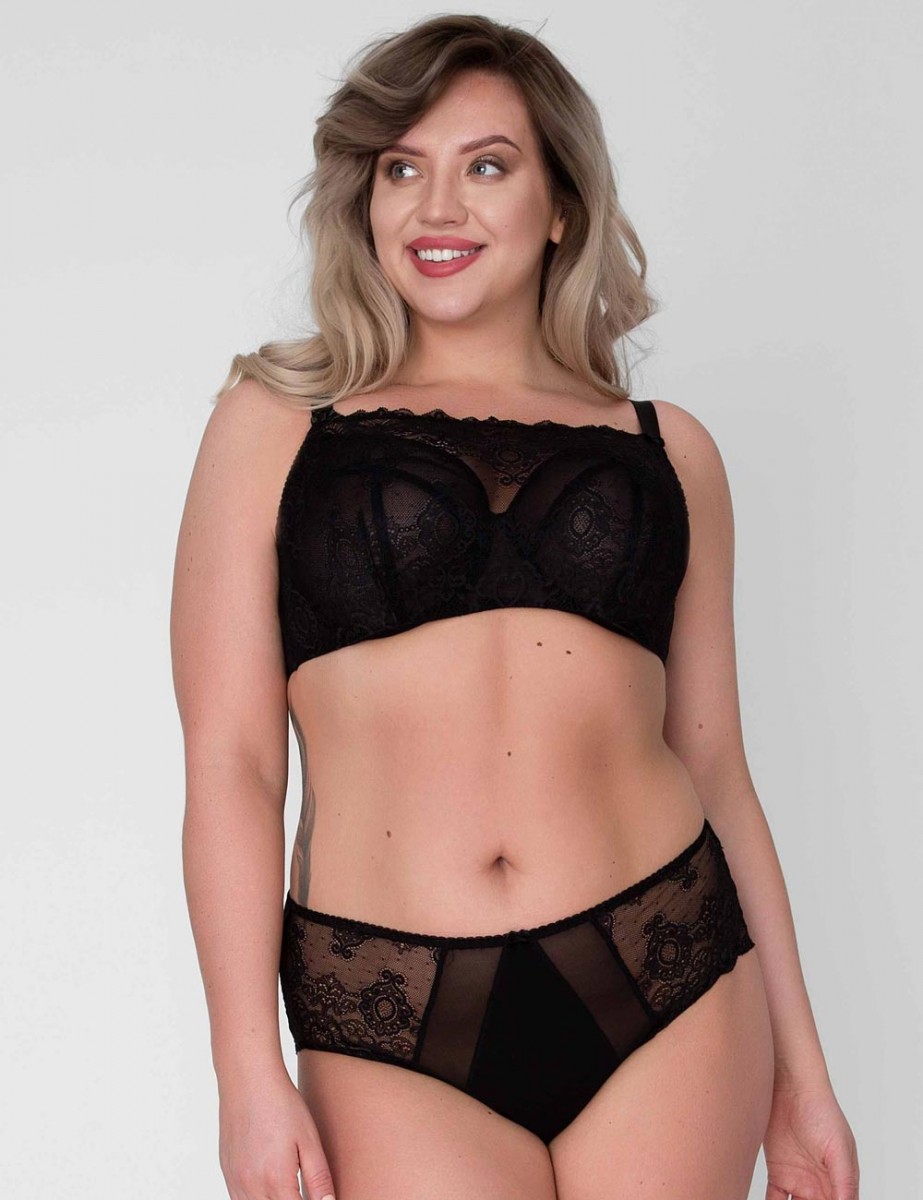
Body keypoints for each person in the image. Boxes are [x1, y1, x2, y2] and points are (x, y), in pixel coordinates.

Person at [171, 13, 859, 1200]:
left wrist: (802, 1078)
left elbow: (715, 768)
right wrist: (245, 1072)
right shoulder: (274, 427)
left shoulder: (670, 451)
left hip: (670, 972)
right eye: (400, 169)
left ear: (559, 210)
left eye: (484, 166)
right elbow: (231, 762)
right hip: (387, 1006)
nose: (434, 207)